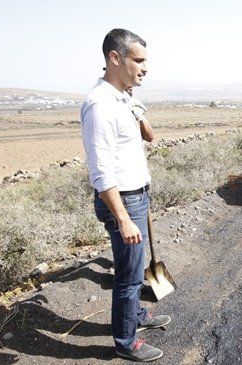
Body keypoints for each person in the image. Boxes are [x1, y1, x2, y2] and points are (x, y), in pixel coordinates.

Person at [80, 28, 169, 362]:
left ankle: (135, 316)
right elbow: (101, 173)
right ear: (115, 58)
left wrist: (138, 111)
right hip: (124, 201)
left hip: (138, 195)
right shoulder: (99, 105)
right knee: (129, 277)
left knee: (134, 270)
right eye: (139, 60)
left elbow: (150, 136)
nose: (145, 68)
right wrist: (123, 218)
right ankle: (125, 341)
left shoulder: (124, 99)